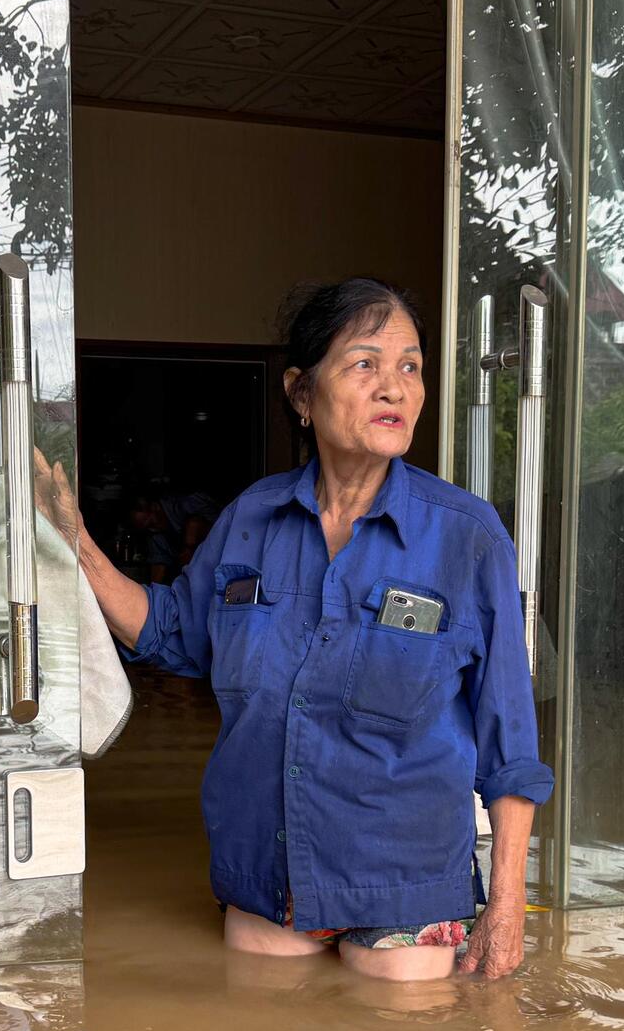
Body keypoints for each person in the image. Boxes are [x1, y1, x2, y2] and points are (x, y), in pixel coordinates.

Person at [37, 278, 551, 982]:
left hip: (403, 881)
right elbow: (172, 634)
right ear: (302, 395)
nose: (394, 388)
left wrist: (508, 902)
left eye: (410, 367)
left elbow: (510, 738)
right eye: (365, 364)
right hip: (268, 871)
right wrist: (77, 547)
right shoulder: (253, 517)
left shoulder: (467, 538)